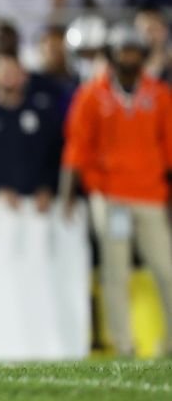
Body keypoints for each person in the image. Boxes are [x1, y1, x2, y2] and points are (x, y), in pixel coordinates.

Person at [60, 23, 172, 357]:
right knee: (115, 272)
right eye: (124, 51)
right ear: (112, 55)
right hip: (111, 197)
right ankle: (123, 344)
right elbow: (77, 146)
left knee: (166, 269)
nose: (129, 58)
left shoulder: (161, 95)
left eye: (135, 51)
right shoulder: (92, 95)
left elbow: (169, 147)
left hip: (151, 195)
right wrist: (68, 192)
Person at [0, 53, 63, 213]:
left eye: (13, 71)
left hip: (39, 208)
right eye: (3, 71)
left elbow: (57, 155)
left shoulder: (43, 114)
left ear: (24, 75)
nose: (8, 76)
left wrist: (48, 186)